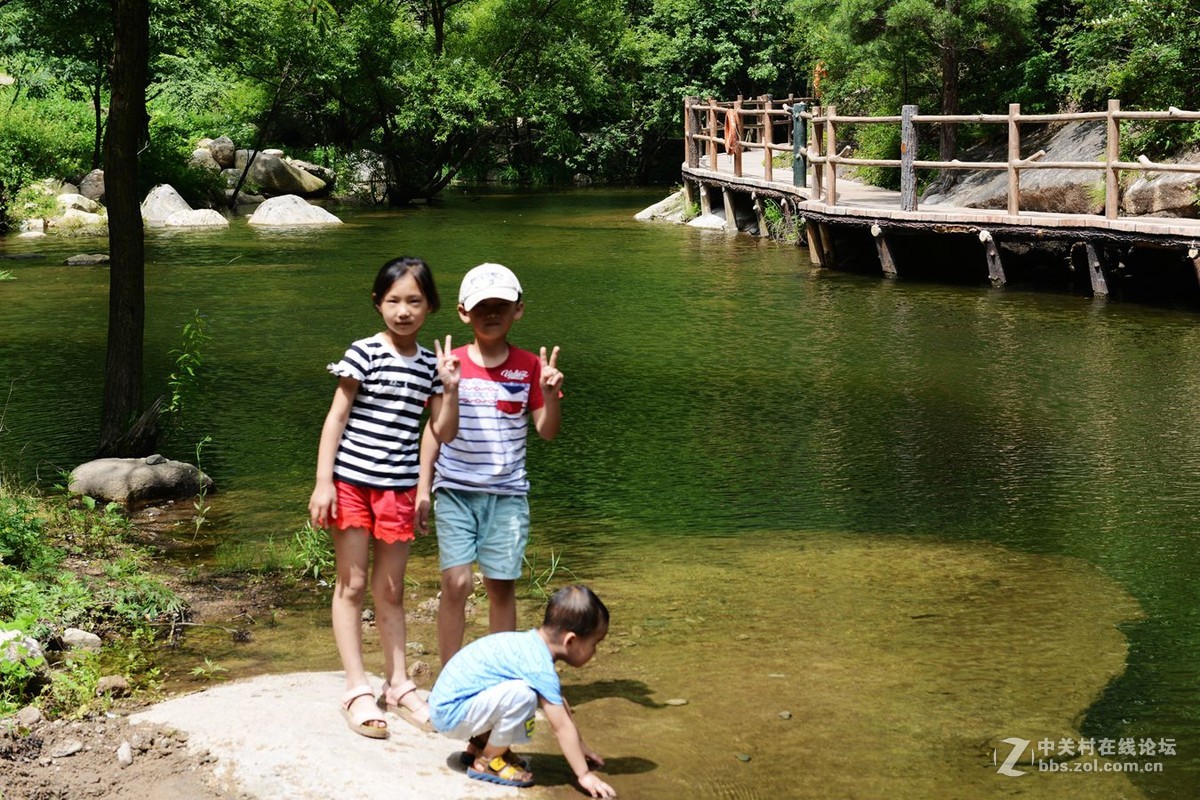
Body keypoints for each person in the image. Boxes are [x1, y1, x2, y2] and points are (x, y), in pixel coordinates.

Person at [308, 256, 461, 739]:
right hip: (352, 483)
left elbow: (443, 432)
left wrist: (451, 389)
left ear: (430, 306)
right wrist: (323, 482)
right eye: (393, 300)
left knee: (392, 590)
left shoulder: (432, 368)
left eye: (414, 301)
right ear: (378, 303)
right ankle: (357, 687)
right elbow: (336, 418)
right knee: (351, 585)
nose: (403, 311)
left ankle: (397, 683)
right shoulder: (363, 353)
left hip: (398, 488)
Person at [416, 262, 563, 663]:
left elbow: (547, 432)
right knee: (456, 582)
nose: (492, 314)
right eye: (483, 307)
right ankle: (451, 675)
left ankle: (496, 675)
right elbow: (439, 433)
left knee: (501, 586)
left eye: (501, 305)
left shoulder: (531, 366)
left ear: (519, 310)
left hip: (507, 495)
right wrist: (422, 488)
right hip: (456, 491)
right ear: (464, 312)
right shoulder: (448, 365)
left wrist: (549, 395)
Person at [429, 585, 617, 798]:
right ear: (571, 641)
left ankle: (479, 745)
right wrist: (584, 775)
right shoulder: (538, 665)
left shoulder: (529, 644)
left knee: (521, 691)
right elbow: (561, 726)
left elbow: (559, 703)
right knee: (523, 696)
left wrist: (580, 746)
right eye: (594, 644)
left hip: (447, 705)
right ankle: (488, 760)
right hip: (451, 715)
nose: (595, 652)